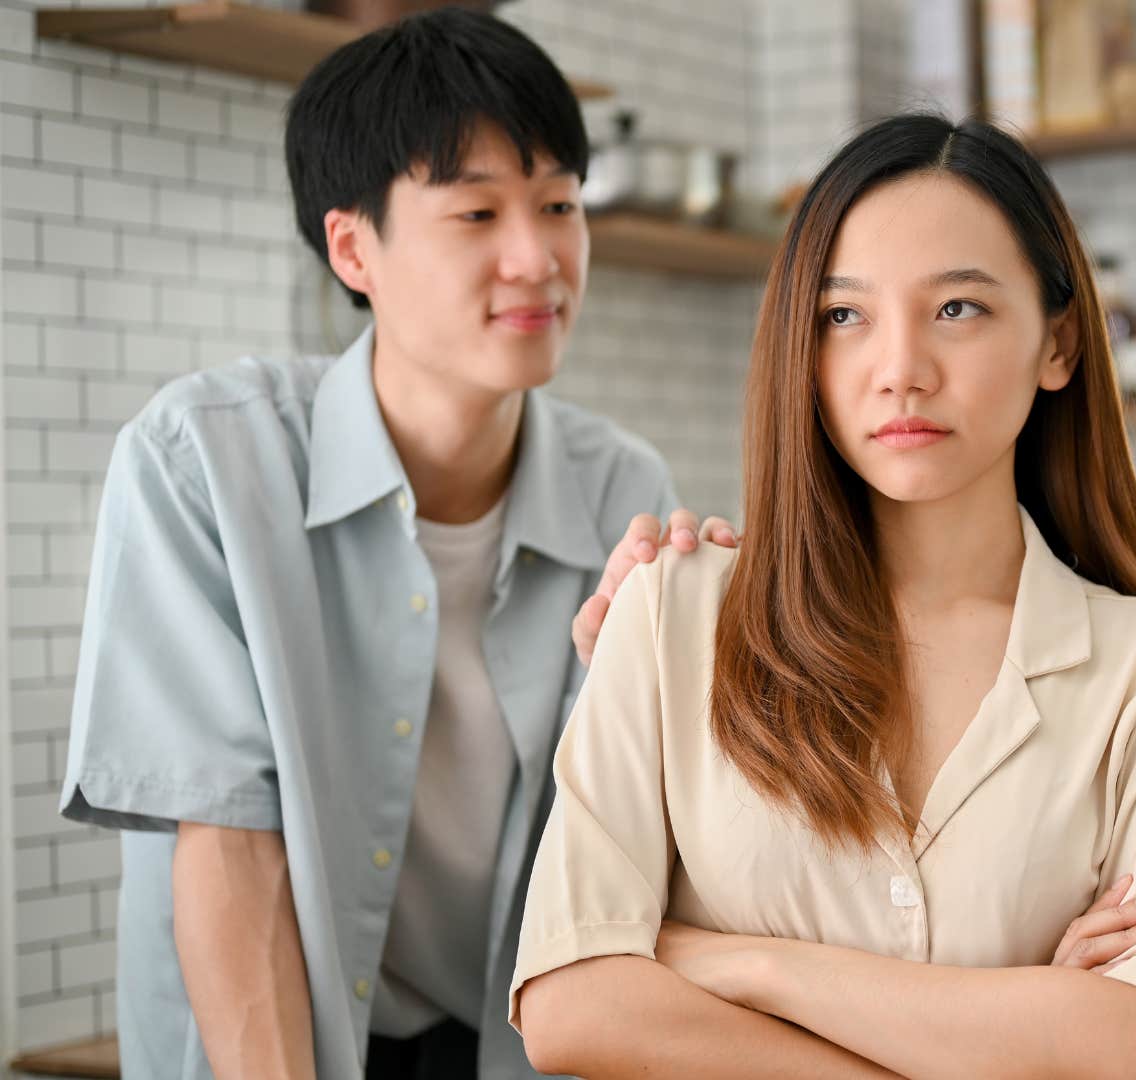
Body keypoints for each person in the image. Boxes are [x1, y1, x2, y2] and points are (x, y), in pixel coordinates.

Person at [58, 11, 735, 1079]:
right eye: (477, 211)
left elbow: (642, 854)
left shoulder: (626, 491)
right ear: (352, 245)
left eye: (560, 204)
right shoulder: (202, 465)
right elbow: (229, 850)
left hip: (516, 1046)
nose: (537, 256)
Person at [514, 114, 1136, 1078]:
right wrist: (1019, 1029)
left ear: (1059, 343)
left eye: (957, 309)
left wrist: (745, 965)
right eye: (844, 316)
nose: (900, 370)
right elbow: (573, 1006)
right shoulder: (669, 614)